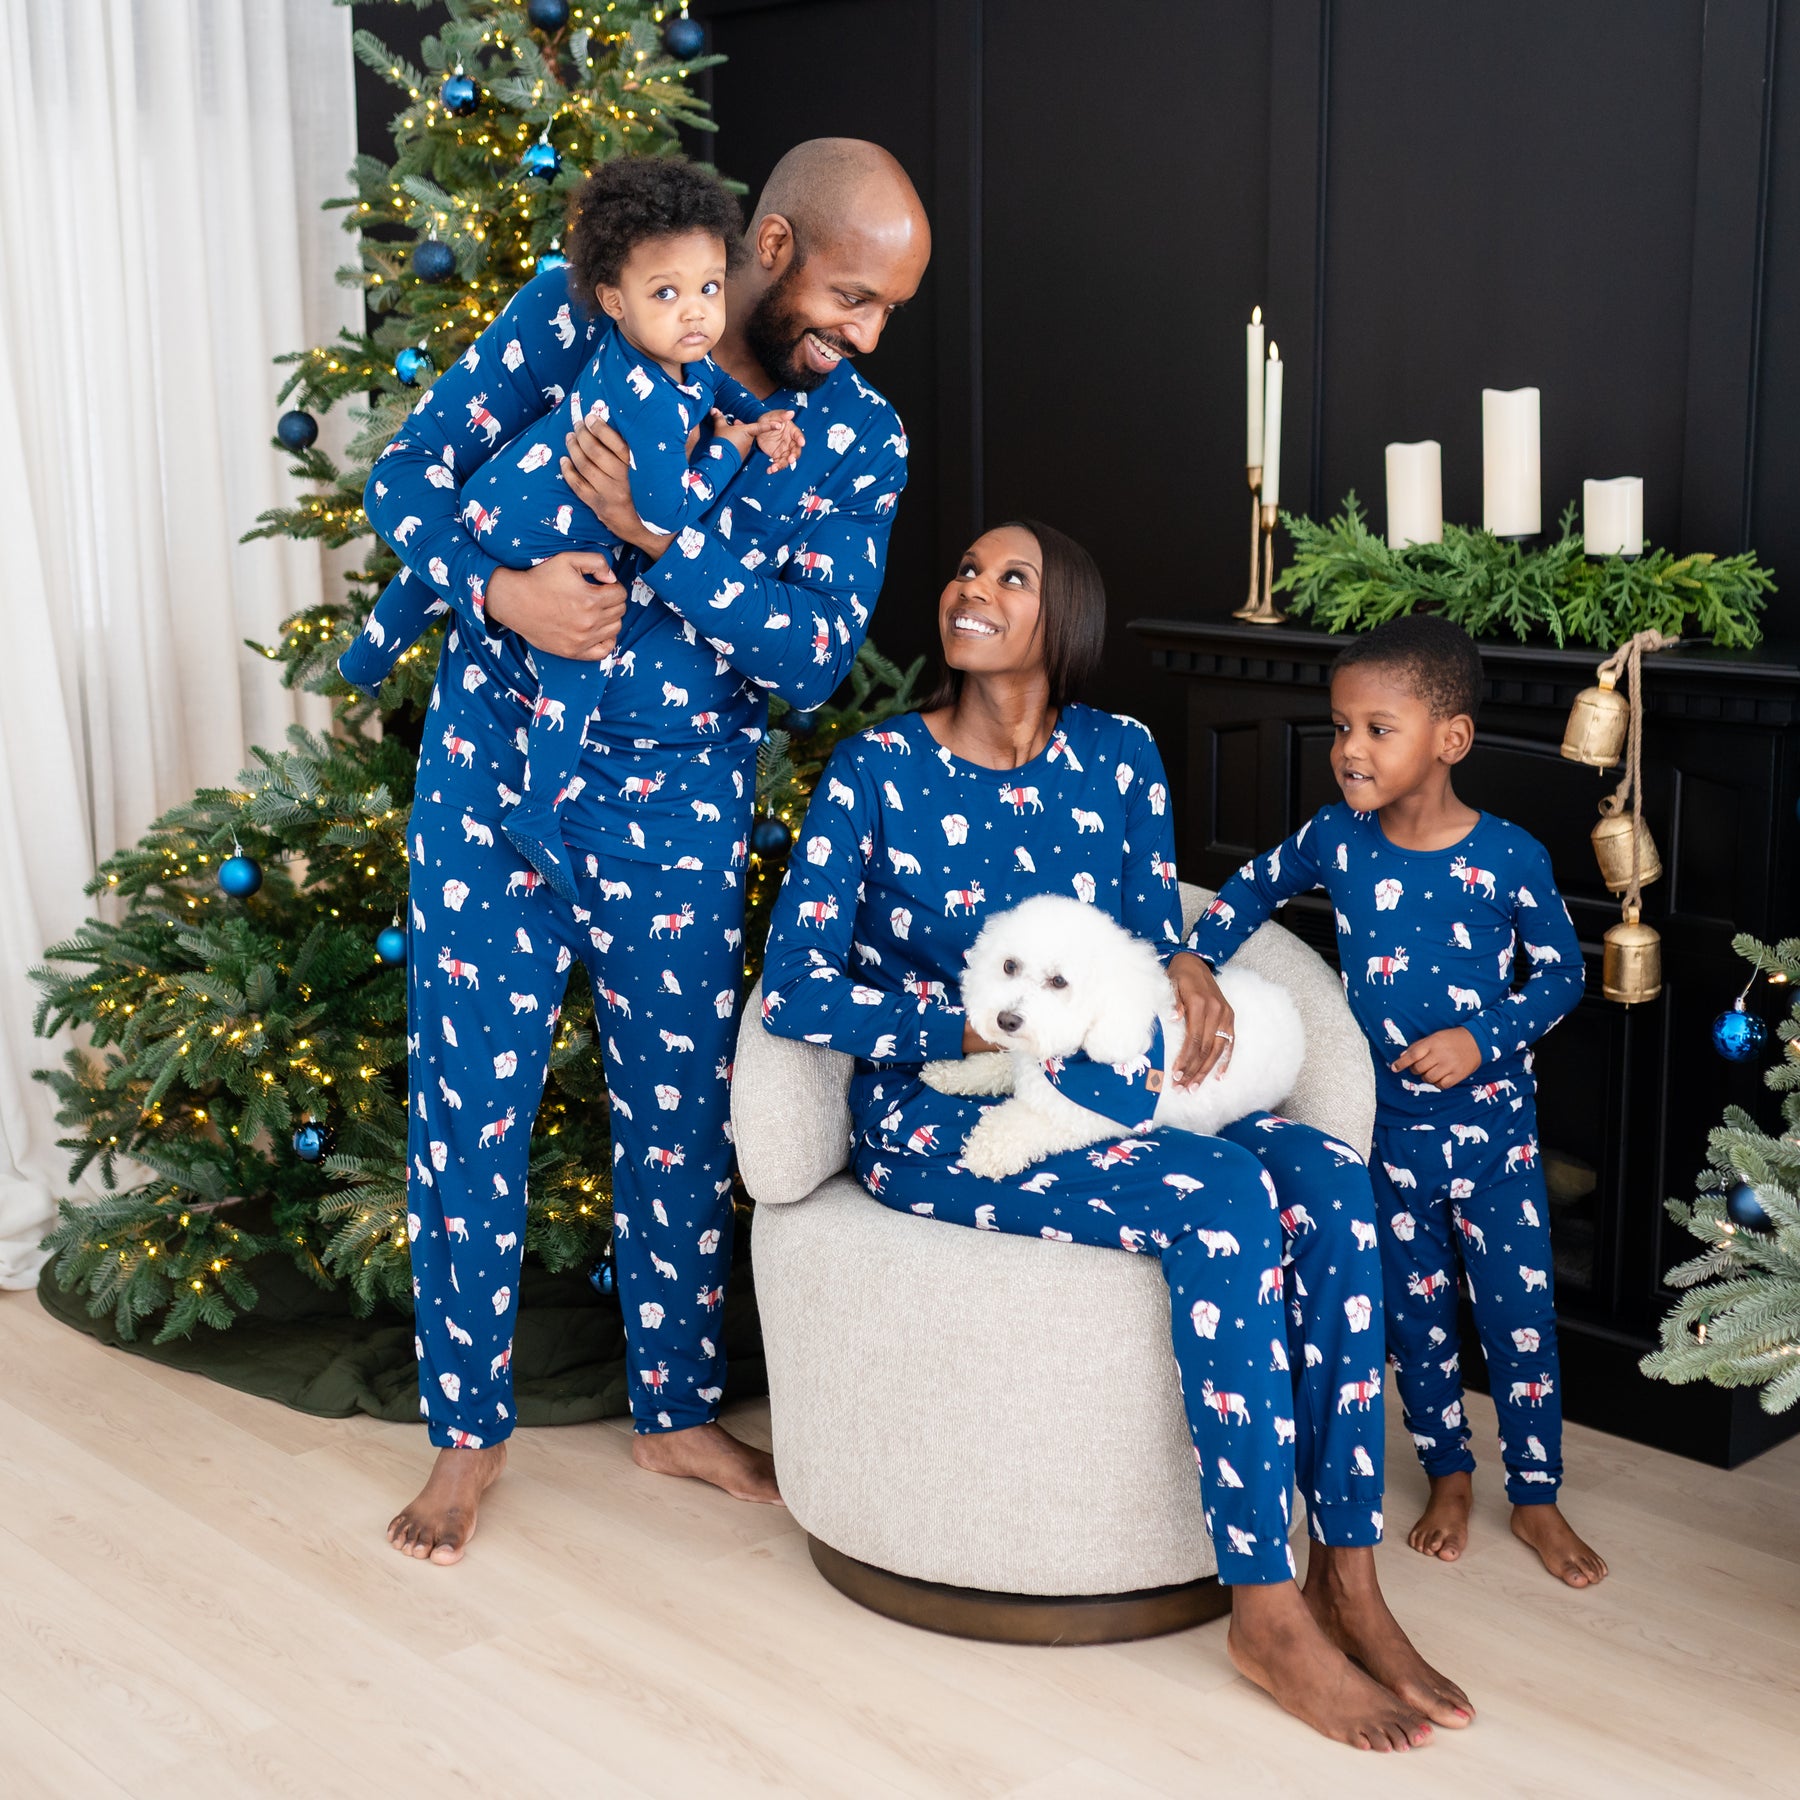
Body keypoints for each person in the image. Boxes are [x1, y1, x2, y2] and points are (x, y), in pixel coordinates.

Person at [762, 522, 1474, 1751]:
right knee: (1223, 1198)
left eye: (1011, 577)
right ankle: (1264, 1604)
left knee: (1321, 1174)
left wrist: (1191, 965)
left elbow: (1152, 927)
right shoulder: (878, 770)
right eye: (968, 572)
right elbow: (793, 989)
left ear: (1065, 617)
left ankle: (1346, 1573)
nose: (972, 590)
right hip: (947, 1107)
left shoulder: (1119, 754)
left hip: (1104, 1086)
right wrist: (980, 1027)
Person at [360, 139, 931, 1563]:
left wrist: (659, 539)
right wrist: (500, 593)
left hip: (678, 816)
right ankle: (465, 1436)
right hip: (494, 788)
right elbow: (407, 474)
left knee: (676, 1118)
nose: (863, 337)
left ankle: (672, 1410)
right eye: (853, 297)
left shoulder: (859, 435)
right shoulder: (583, 313)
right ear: (777, 246)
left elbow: (810, 659)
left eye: (888, 317)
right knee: (465, 1114)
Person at [1184, 614, 1607, 1589]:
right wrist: (1192, 959)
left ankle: (1536, 1496)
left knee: (1519, 1316)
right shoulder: (1337, 839)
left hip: (1495, 1141)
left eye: (1379, 728)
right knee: (1413, 1323)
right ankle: (1448, 1474)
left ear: (1449, 739)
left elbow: (1560, 978)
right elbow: (1246, 890)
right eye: (1340, 728)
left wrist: (1478, 1039)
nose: (1349, 751)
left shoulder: (1509, 855)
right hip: (1388, 1139)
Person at [345, 158, 803, 899]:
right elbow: (662, 513)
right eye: (668, 294)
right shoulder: (642, 396)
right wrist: (731, 446)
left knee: (437, 560)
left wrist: (754, 414)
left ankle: (366, 658)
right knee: (580, 659)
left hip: (501, 496)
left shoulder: (669, 354)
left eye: (708, 289)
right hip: (541, 546)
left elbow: (715, 384)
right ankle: (537, 808)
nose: (695, 313)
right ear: (612, 300)